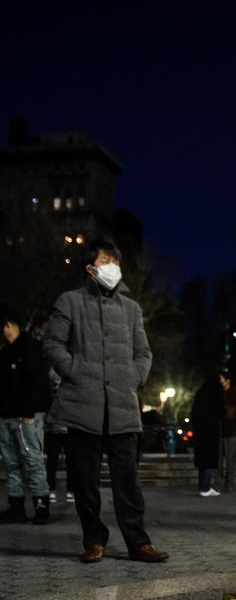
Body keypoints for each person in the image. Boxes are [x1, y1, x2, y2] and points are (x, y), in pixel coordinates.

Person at [42, 238, 167, 562]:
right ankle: (93, 540)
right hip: (83, 406)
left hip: (123, 408)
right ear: (90, 268)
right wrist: (76, 371)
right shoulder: (70, 302)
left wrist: (134, 377)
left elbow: (144, 352)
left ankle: (138, 543)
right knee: (85, 482)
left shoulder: (131, 308)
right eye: (105, 259)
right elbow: (52, 343)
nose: (112, 265)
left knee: (128, 484)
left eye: (115, 259)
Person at [0, 305, 51, 524]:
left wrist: (30, 410)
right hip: (7, 416)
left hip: (25, 416)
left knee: (32, 460)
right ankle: (16, 506)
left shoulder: (30, 347)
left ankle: (41, 506)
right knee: (12, 462)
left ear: (7, 324)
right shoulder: (4, 351)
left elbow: (38, 381)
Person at [190, 373, 223, 497]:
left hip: (200, 431)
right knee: (209, 460)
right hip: (211, 430)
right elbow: (221, 411)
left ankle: (202, 486)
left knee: (202, 460)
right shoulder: (216, 392)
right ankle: (206, 487)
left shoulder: (200, 393)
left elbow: (194, 412)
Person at [45, 367, 73, 504]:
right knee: (52, 461)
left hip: (66, 427)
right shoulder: (52, 371)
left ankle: (70, 490)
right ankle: (52, 489)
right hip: (54, 427)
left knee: (70, 462)